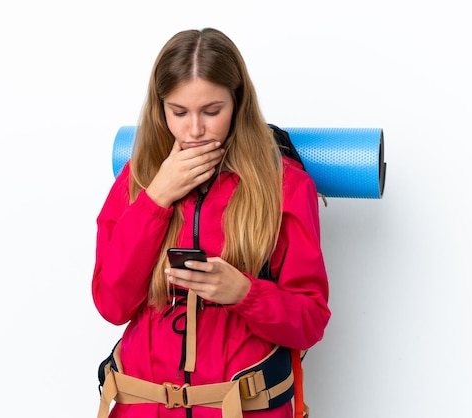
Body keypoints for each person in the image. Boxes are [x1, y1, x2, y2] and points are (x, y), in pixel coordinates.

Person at [92, 27, 330, 418]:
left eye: (212, 111)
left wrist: (244, 293)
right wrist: (157, 199)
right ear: (160, 107)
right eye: (179, 112)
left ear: (237, 104)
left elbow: (310, 323)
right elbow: (112, 305)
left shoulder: (285, 185)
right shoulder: (137, 181)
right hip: (141, 407)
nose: (195, 130)